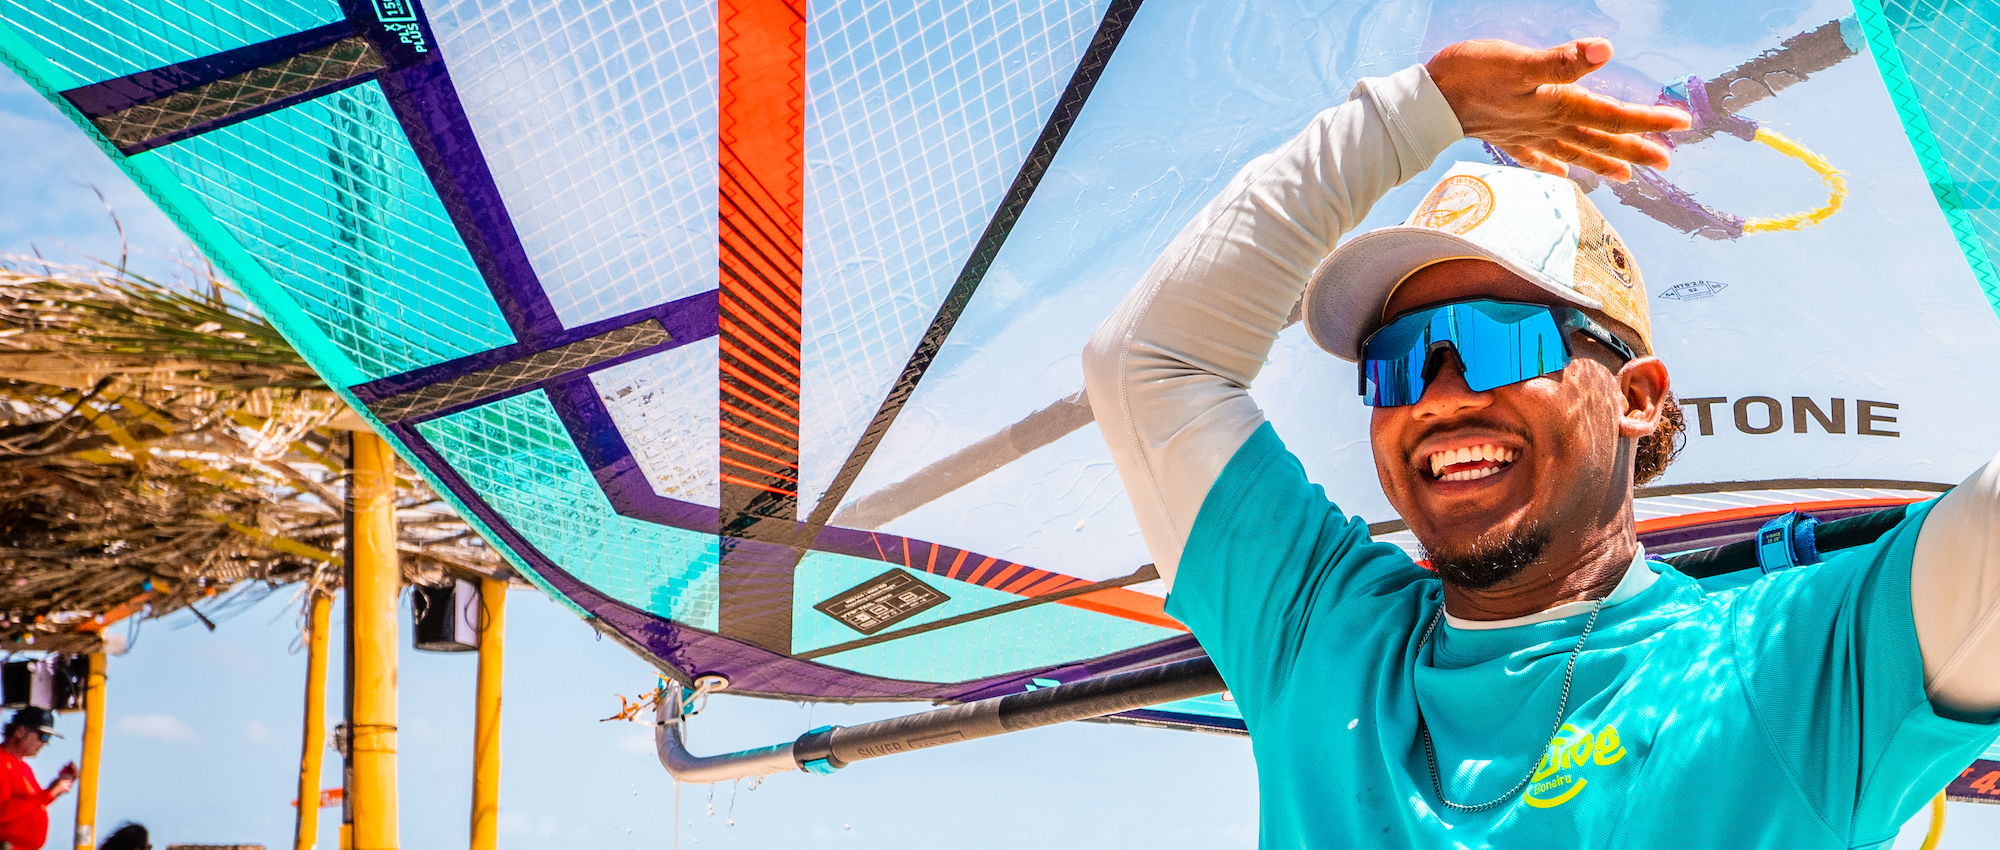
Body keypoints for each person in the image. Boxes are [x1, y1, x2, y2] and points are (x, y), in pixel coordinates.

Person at [1082, 36, 2000, 847]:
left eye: (1496, 341)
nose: (1438, 395)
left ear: (1637, 396)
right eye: (1395, 361)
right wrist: (1418, 110)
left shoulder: (1803, 661)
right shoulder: (1322, 634)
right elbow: (1146, 364)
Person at [0, 707, 73, 850]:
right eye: (43, 736)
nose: (46, 743)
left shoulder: (23, 767)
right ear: (20, 731)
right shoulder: (2, 762)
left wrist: (56, 787)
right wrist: (49, 794)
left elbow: (34, 805)